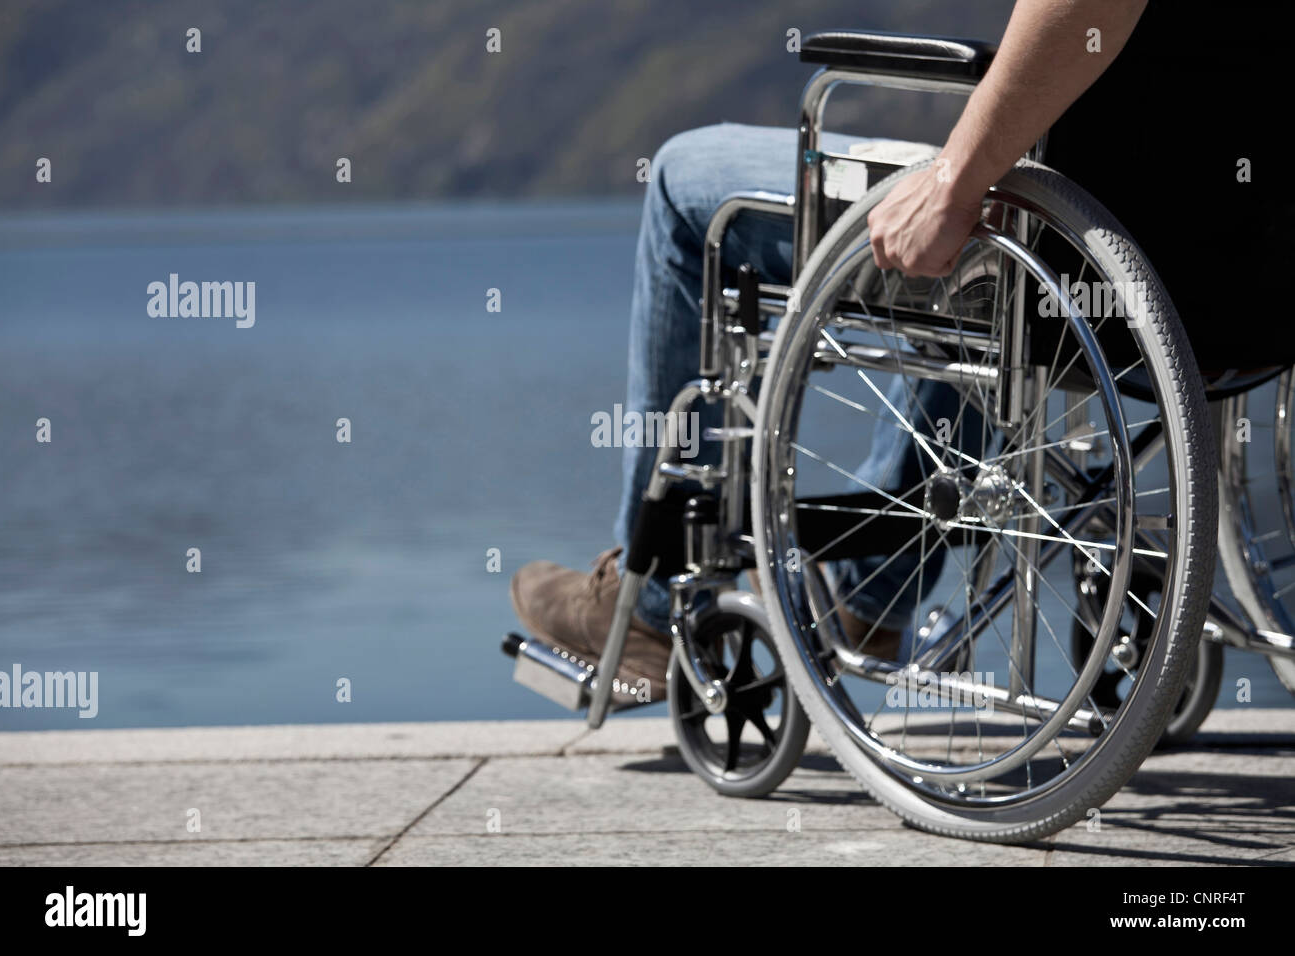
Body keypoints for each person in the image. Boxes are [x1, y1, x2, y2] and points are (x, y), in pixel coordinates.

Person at [510, 0, 1289, 698]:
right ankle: (870, 589)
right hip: (1239, 296)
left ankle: (650, 604)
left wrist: (957, 175)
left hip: (1075, 256)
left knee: (686, 174)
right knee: (997, 246)